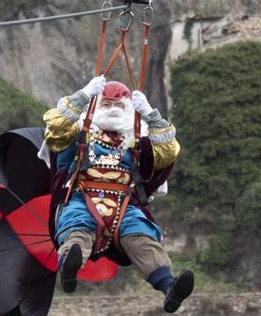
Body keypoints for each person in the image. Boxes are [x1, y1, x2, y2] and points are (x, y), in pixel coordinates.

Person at [43, 76, 194, 313]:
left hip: (124, 203)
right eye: (106, 104)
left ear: (128, 110)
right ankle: (69, 265)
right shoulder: (79, 132)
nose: (112, 110)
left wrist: (151, 116)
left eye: (118, 106)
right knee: (78, 225)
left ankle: (168, 286)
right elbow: (56, 130)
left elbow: (166, 154)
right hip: (82, 196)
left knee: (141, 234)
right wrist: (83, 96)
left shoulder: (137, 140)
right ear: (96, 107)